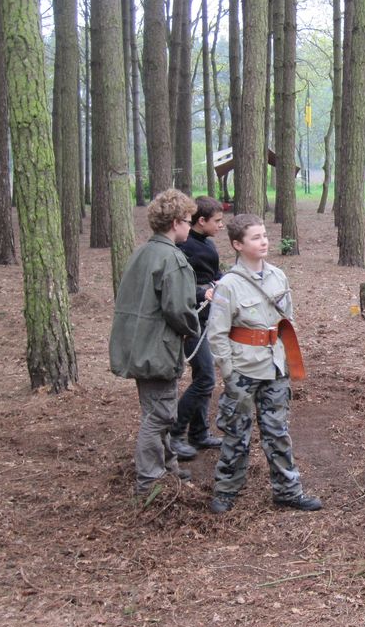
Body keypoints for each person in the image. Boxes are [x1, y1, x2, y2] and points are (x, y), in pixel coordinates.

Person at [206, 213, 322, 514]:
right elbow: (217, 334)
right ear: (238, 244)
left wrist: (287, 359)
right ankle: (226, 490)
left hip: (275, 367)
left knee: (277, 431)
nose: (264, 241)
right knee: (236, 432)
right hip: (243, 369)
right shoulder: (228, 285)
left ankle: (288, 491)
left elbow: (287, 320)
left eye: (265, 235)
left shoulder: (278, 276)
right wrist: (229, 373)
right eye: (255, 237)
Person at [109, 189, 201, 495]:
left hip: (137, 346)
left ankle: (168, 467)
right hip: (156, 350)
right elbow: (179, 309)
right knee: (159, 415)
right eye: (188, 221)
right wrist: (193, 328)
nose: (190, 227)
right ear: (175, 223)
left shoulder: (142, 252)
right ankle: (149, 480)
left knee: (158, 410)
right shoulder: (172, 259)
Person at [169, 196, 225, 460]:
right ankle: (173, 433)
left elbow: (212, 274)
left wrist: (226, 282)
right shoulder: (183, 247)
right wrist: (203, 293)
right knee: (205, 379)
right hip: (191, 321)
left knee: (203, 376)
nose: (221, 225)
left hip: (207, 319)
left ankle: (199, 433)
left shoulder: (207, 244)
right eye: (217, 221)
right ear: (201, 221)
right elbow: (179, 286)